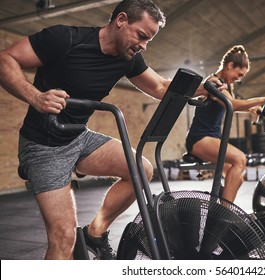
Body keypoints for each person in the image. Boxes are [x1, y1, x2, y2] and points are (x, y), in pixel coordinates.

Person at [0, 0, 221, 260]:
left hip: (78, 137)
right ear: (121, 20)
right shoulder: (64, 39)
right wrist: (36, 97)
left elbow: (161, 87)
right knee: (64, 238)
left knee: (141, 169)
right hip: (44, 146)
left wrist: (205, 86)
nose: (143, 45)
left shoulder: (128, 58)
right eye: (141, 35)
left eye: (149, 40)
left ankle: (95, 232)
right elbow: (6, 59)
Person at [186, 45, 265, 203]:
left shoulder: (227, 86)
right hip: (200, 139)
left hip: (211, 138)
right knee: (240, 159)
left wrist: (251, 109)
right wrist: (264, 99)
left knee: (237, 178)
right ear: (229, 65)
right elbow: (233, 104)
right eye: (239, 73)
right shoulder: (213, 83)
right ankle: (223, 214)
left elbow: (229, 107)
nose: (239, 78)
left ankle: (220, 208)